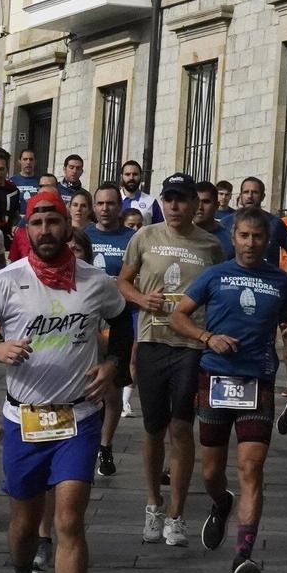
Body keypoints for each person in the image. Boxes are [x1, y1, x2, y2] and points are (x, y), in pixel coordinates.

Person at [0, 192, 130, 573]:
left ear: (67, 226)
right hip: (25, 418)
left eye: (53, 221)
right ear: (26, 229)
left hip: (78, 417)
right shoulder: (6, 281)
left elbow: (124, 321)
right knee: (23, 525)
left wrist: (113, 365)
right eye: (36, 223)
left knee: (69, 520)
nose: (45, 231)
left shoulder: (95, 282)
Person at [166, 211, 287, 573]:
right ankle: (221, 502)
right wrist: (208, 338)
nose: (250, 243)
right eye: (244, 235)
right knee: (211, 472)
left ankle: (243, 555)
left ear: (268, 240)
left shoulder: (280, 281)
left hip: (259, 381)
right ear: (233, 237)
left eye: (258, 236)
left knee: (251, 469)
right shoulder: (215, 275)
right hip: (215, 378)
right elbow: (178, 317)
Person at [118, 172, 225, 547]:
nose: (174, 206)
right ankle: (153, 504)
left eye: (181, 199)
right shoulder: (145, 237)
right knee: (153, 427)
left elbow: (219, 291)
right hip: (153, 340)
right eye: (168, 199)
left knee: (181, 427)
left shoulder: (211, 245)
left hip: (191, 345)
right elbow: (122, 281)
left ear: (195, 204)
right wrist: (141, 299)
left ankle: (177, 514)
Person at [85, 184, 137, 475]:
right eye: (100, 203)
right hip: (87, 315)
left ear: (120, 207)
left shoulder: (132, 238)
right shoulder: (84, 236)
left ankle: (105, 446)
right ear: (94, 207)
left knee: (113, 389)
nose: (105, 208)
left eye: (111, 203)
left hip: (118, 317)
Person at [118, 159, 161, 226]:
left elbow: (159, 228)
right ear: (121, 177)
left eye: (135, 174)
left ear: (141, 176)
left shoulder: (151, 202)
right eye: (127, 174)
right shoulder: (113, 200)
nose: (131, 178)